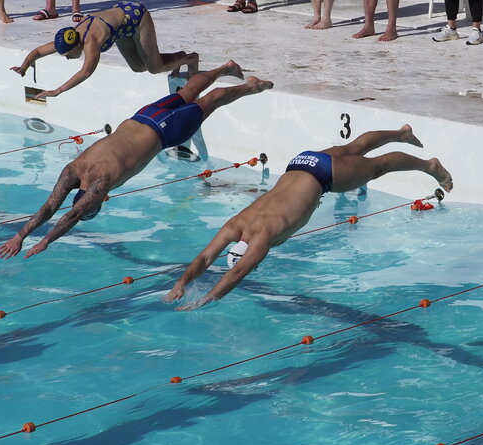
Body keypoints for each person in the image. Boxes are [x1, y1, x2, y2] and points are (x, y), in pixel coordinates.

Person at [0, 62, 271, 259]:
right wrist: (20, 235)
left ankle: (251, 87)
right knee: (187, 92)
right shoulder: (73, 170)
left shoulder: (101, 183)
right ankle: (224, 68)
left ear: (94, 200)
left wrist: (45, 240)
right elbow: (49, 206)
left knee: (212, 100)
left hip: (165, 131)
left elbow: (72, 213)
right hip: (140, 117)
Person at [164, 126, 453, 308]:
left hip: (325, 176)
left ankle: (429, 166)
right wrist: (182, 282)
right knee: (354, 148)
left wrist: (206, 299)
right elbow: (205, 258)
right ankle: (400, 133)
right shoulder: (235, 225)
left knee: (379, 166)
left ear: (248, 250)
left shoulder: (262, 236)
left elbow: (237, 272)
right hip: (300, 163)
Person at [10, 1, 199, 98]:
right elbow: (37, 52)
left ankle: (190, 58)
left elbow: (86, 72)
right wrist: (24, 67)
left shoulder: (91, 43)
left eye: (68, 56)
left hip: (136, 17)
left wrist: (57, 91)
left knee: (154, 68)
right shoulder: (68, 38)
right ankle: (178, 57)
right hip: (120, 28)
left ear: (77, 45)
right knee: (138, 66)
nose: (67, 58)